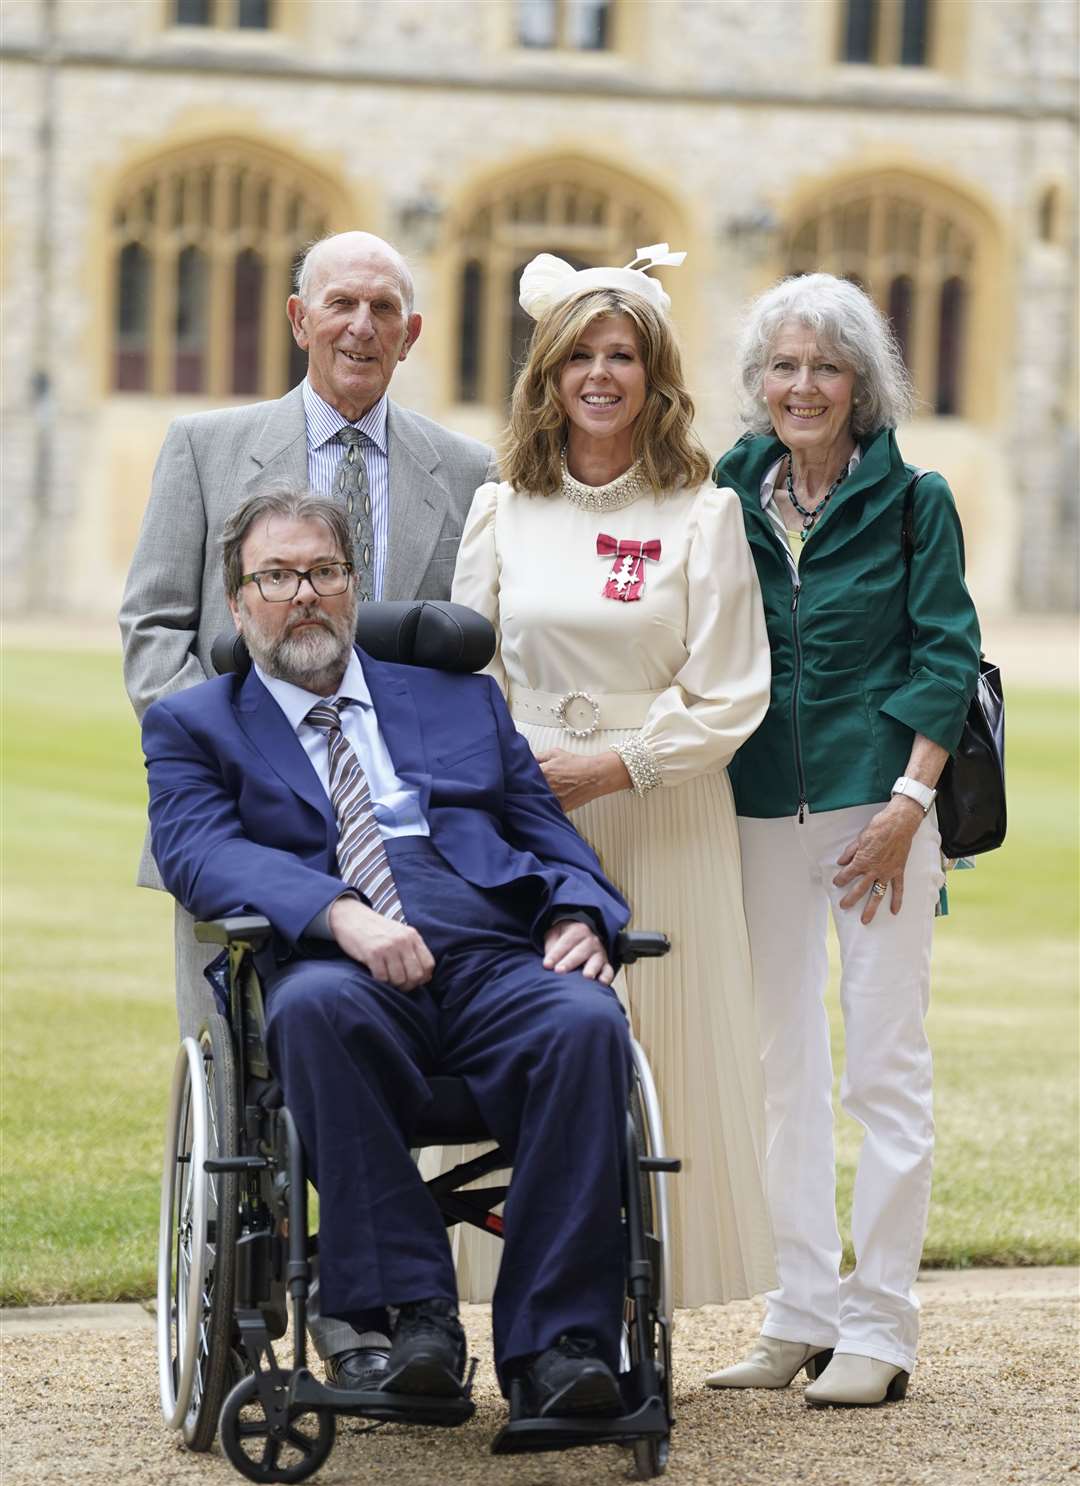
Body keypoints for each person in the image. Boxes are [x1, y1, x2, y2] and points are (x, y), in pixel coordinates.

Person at [141, 487, 636, 1422]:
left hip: (493, 949)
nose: (304, 595)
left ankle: (560, 1346)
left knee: (585, 1017)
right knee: (309, 1011)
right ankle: (416, 1320)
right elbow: (200, 852)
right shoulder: (196, 726)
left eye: (324, 572)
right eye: (277, 576)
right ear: (238, 602)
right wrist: (340, 911)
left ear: (354, 587)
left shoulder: (458, 701)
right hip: (343, 963)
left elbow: (543, 831)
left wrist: (581, 913)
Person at [446, 247, 776, 1310]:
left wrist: (617, 764)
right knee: (529, 1041)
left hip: (661, 810)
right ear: (548, 375)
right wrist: (517, 777)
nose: (600, 373)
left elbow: (731, 693)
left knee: (660, 1047)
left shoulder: (704, 511)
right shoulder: (504, 508)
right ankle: (529, 1300)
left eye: (622, 353)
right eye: (579, 353)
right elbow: (467, 673)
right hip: (527, 813)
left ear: (654, 373)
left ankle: (638, 1302)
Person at [706, 272, 982, 1407]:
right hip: (763, 803)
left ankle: (882, 1326)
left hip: (885, 811)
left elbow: (944, 657)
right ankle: (800, 1312)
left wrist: (906, 808)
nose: (803, 385)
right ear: (759, 383)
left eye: (826, 365)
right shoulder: (726, 487)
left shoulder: (916, 498)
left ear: (864, 384)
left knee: (883, 1067)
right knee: (779, 1070)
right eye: (784, 365)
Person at [119, 229, 496, 1036]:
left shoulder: (469, 471)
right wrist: (234, 758)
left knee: (411, 1064)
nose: (361, 325)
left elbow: (467, 648)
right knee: (229, 1070)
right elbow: (154, 627)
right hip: (242, 815)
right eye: (341, 305)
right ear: (299, 320)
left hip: (401, 823)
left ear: (411, 333)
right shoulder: (205, 448)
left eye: (383, 308)